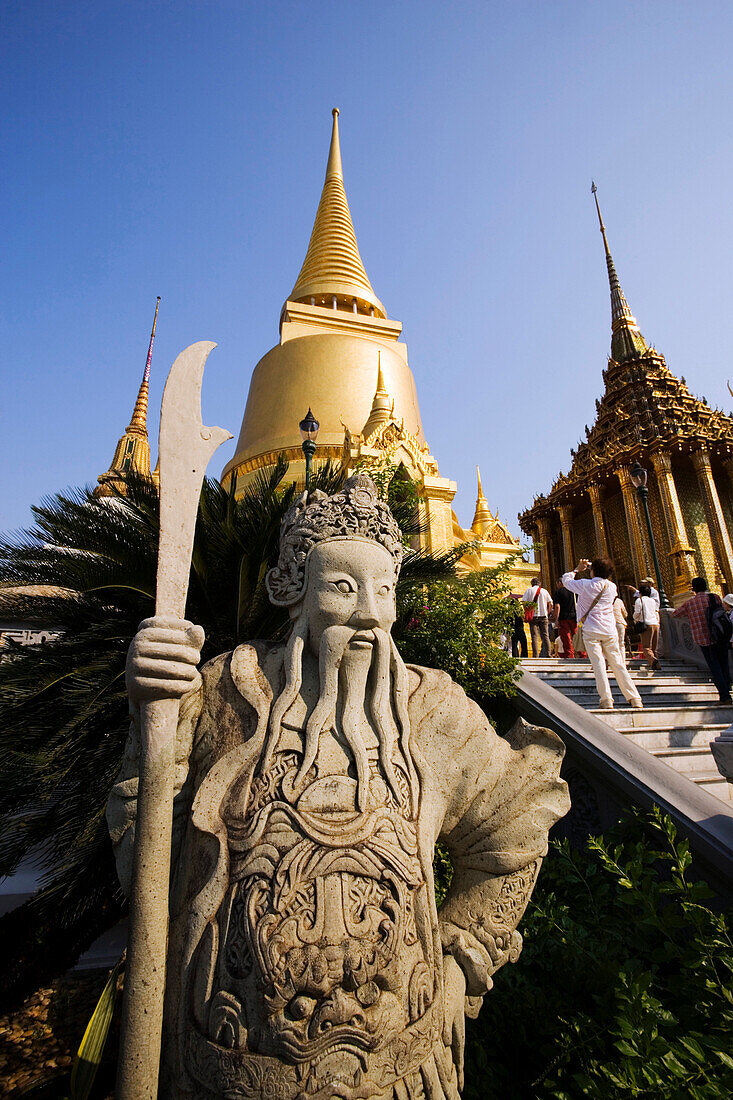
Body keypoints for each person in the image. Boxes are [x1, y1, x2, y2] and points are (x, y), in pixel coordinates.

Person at [107, 475, 569, 1099]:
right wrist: (149, 715)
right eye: (344, 589)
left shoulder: (432, 711)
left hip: (402, 1074)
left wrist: (463, 959)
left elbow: (513, 828)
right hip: (225, 1071)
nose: (371, 615)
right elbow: (147, 845)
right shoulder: (218, 698)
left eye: (384, 590)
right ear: (291, 591)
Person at [562, 558, 643, 710]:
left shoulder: (586, 584)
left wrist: (577, 569)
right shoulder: (612, 587)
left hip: (591, 629)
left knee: (598, 664)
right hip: (609, 630)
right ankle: (634, 698)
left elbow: (566, 581)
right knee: (618, 664)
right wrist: (595, 568)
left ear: (592, 571)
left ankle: (606, 699)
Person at [672, 577, 732, 704]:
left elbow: (675, 614)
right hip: (720, 636)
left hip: (704, 640)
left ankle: (724, 696)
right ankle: (727, 694)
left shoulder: (690, 603)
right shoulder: (714, 597)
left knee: (715, 668)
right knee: (724, 666)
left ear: (693, 588)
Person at [521, 576, 553, 658]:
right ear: (539, 584)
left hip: (533, 616)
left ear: (532, 584)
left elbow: (524, 603)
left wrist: (527, 612)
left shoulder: (528, 591)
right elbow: (551, 603)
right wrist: (547, 613)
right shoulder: (544, 591)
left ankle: (535, 655)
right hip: (543, 615)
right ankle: (548, 654)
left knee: (534, 636)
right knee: (545, 636)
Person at [633, 582, 661, 670]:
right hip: (655, 624)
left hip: (647, 625)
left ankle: (653, 660)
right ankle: (655, 664)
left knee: (646, 647)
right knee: (653, 648)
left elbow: (637, 613)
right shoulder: (653, 601)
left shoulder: (639, 600)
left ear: (640, 593)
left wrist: (634, 617)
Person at [553, 577, 577, 659]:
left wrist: (556, 619)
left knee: (566, 637)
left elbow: (557, 606)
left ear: (559, 583)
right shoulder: (573, 591)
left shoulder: (558, 592)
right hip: (574, 616)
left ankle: (570, 655)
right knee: (576, 635)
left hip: (563, 617)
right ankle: (582, 654)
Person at [613, 593, 628, 666]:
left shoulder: (605, 600)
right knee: (621, 643)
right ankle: (622, 662)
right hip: (620, 622)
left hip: (610, 623)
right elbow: (625, 613)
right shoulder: (619, 601)